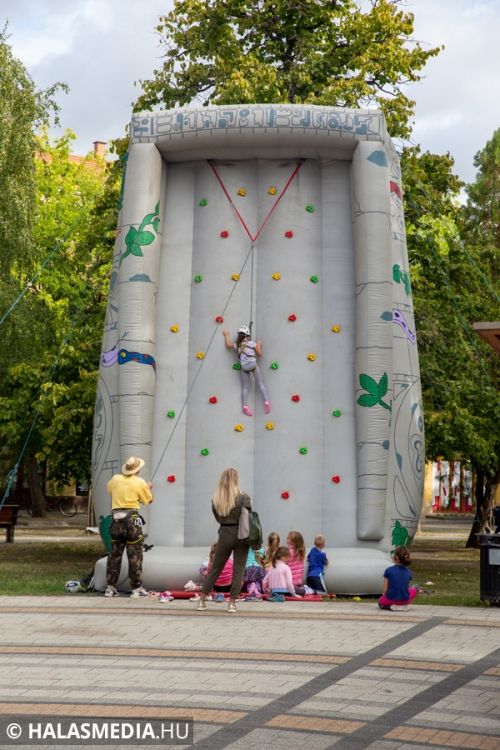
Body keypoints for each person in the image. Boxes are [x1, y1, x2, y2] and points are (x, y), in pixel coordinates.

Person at [196, 468, 251, 613]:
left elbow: (217, 518)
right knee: (238, 569)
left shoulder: (216, 499)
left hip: (224, 533)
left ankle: (202, 600)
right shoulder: (243, 497)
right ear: (236, 479)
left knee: (215, 568)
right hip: (241, 535)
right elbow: (249, 517)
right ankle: (232, 603)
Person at [105, 456, 153, 598]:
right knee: (135, 555)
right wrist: (148, 488)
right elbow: (149, 500)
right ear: (138, 470)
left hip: (116, 521)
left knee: (114, 555)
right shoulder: (140, 482)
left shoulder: (115, 479)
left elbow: (110, 491)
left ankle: (110, 588)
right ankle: (136, 589)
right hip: (132, 522)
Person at [223, 326, 271, 416]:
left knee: (245, 387)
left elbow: (228, 345)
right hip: (253, 365)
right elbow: (260, 354)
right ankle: (266, 402)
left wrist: (226, 335)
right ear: (247, 335)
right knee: (260, 384)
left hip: (244, 367)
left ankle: (245, 406)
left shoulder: (238, 344)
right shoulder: (252, 343)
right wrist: (259, 344)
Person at [378, 547, 419, 611]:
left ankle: (391, 606)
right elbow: (406, 588)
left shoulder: (388, 570)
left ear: (396, 558)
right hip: (405, 601)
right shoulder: (408, 572)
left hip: (391, 600)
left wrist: (384, 595)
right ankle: (403, 605)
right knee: (415, 589)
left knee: (380, 601)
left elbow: (385, 590)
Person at [287, 530, 306, 595]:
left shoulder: (288, 552)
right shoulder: (300, 552)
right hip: (298, 581)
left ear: (293, 541)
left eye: (288, 538)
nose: (287, 540)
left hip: (290, 581)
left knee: (290, 591)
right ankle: (303, 589)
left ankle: (306, 590)